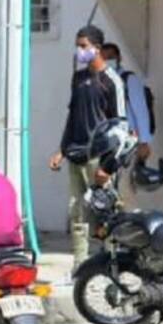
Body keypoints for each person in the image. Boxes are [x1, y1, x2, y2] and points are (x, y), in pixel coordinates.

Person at [48, 25, 127, 267]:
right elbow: (73, 116)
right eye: (78, 46)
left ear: (97, 48)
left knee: (103, 211)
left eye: (83, 46)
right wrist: (62, 150)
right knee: (77, 211)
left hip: (99, 157)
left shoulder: (111, 81)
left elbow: (120, 128)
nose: (79, 51)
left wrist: (109, 166)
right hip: (77, 154)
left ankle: (110, 261)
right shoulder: (79, 78)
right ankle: (80, 263)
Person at [100, 41, 154, 208]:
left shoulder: (129, 80)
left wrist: (144, 142)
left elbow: (141, 111)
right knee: (106, 189)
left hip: (128, 144)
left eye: (111, 57)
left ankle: (125, 225)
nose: (108, 60)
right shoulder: (101, 82)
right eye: (105, 57)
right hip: (106, 145)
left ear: (119, 58)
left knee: (124, 190)